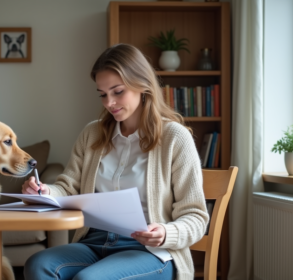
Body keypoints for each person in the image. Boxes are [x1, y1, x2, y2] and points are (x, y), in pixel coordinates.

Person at [21, 43, 209, 280]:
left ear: (143, 85)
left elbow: (196, 216)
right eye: (102, 94)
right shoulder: (92, 134)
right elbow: (68, 188)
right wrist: (45, 191)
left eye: (117, 91)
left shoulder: (174, 138)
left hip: (150, 251)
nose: (109, 102)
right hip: (94, 242)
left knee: (88, 279)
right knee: (38, 264)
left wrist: (165, 232)